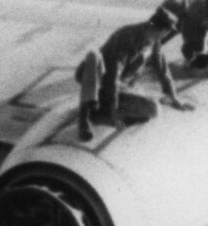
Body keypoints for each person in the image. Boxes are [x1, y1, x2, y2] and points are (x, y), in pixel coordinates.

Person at [74, 12, 192, 142]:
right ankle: (86, 117)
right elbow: (112, 76)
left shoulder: (154, 41)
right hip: (100, 78)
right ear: (159, 29)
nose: (166, 35)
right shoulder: (127, 37)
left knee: (153, 109)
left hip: (121, 84)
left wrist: (173, 97)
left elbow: (162, 69)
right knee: (93, 57)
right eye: (166, 31)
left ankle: (101, 111)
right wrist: (114, 112)